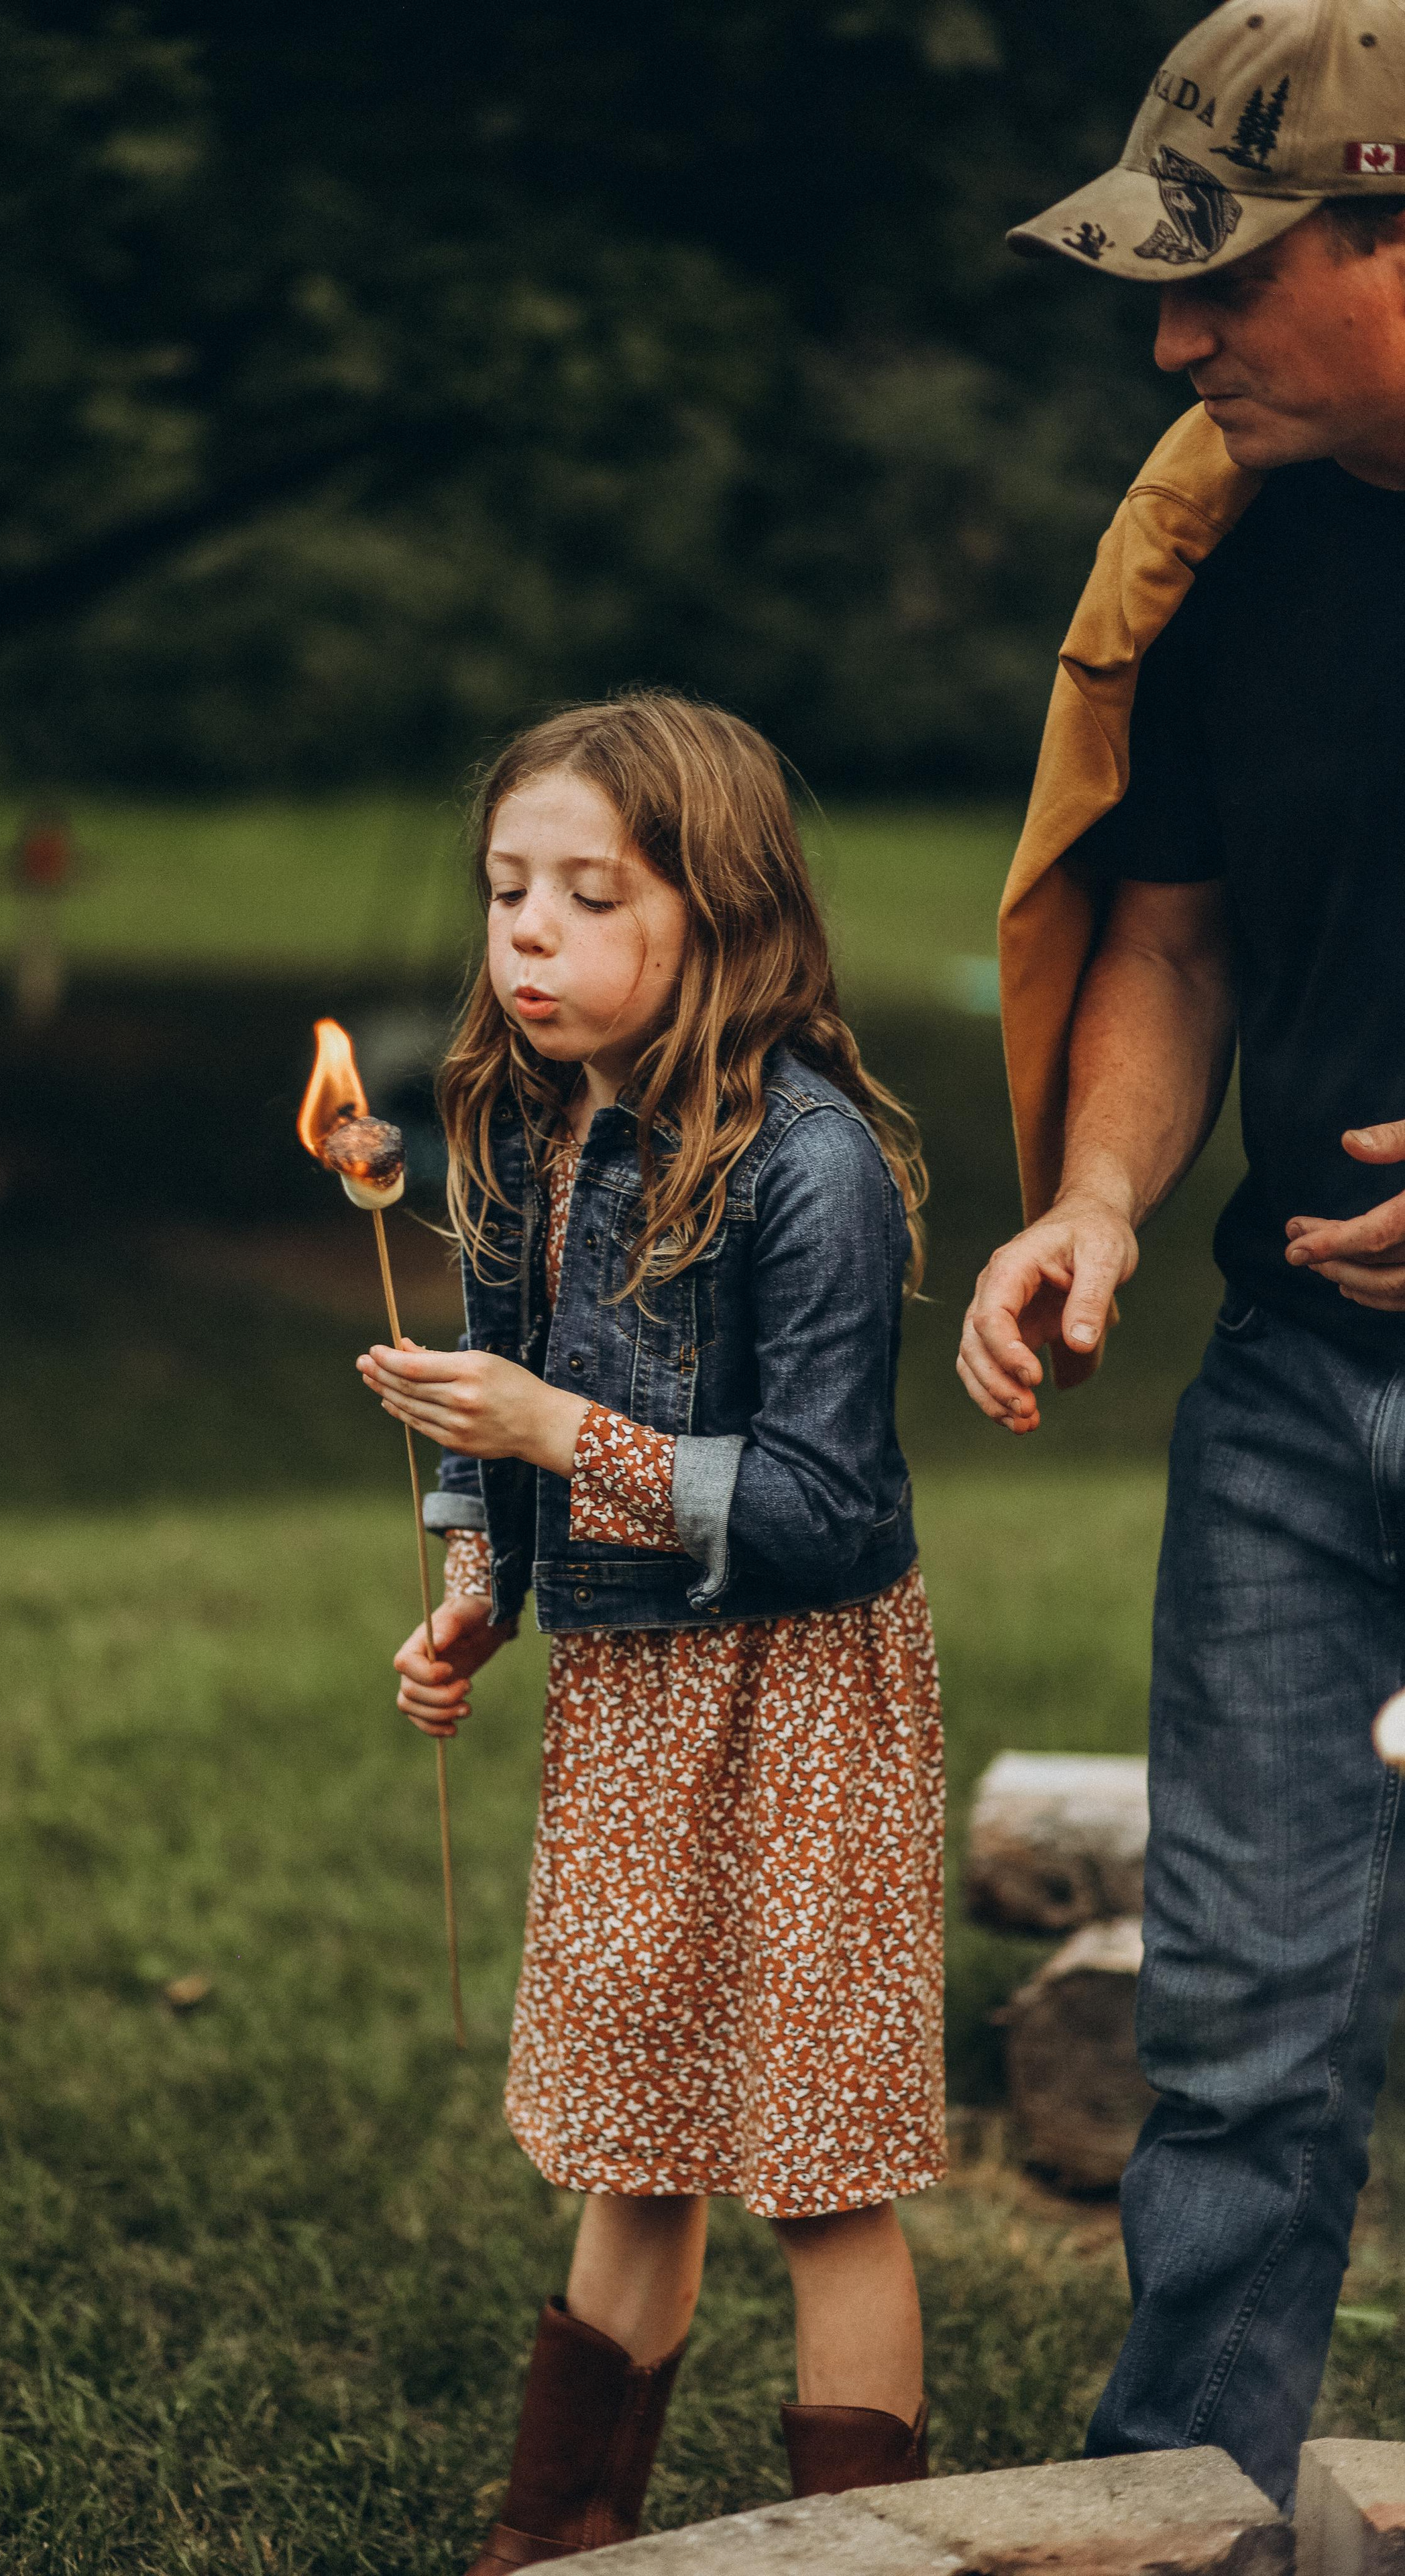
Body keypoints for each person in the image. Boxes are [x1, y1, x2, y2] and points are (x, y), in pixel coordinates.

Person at [958, 0, 1405, 2508]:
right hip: (1285, 1413)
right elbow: (1181, 932)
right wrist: (1100, 1201)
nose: (1172, 333)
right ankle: (1190, 2535)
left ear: (1397, 236)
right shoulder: (1239, 544)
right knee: (1234, 2040)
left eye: (1226, 272)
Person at [357, 694, 943, 2569]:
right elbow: (498, 1414)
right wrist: (472, 1583)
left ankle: (867, 2552)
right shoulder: (520, 1141)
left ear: (721, 910)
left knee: (818, 2166)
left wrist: (558, 1438)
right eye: (507, 889)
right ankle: (563, 2539)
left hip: (802, 1705)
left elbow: (831, 1513)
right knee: (634, 2132)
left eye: (587, 894)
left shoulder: (810, 1165)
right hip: (633, 1702)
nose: (526, 930)